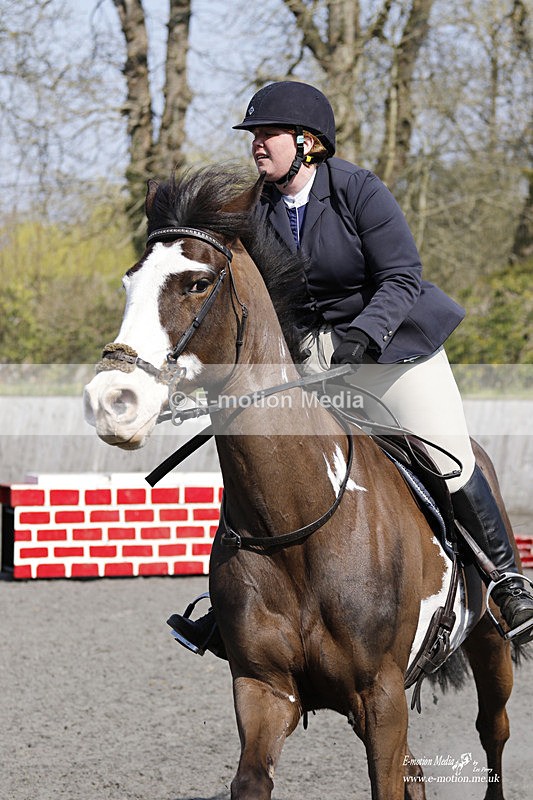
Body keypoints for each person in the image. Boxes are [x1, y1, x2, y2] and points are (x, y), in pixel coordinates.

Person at [167, 81, 533, 655]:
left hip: (392, 348)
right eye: (254, 135)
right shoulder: (253, 209)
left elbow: (402, 277)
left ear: (308, 142)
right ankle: (228, 603)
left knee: (448, 454)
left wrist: (364, 335)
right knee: (260, 453)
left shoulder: (359, 190)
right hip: (312, 354)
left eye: (268, 134)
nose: (257, 144)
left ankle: (509, 584)